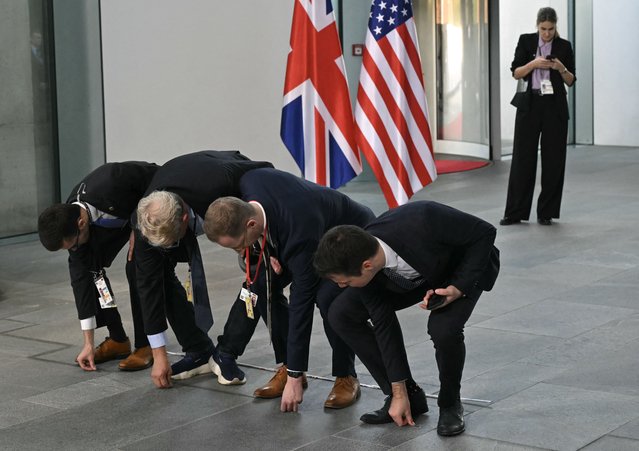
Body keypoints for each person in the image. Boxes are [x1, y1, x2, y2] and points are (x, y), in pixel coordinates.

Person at [313, 201, 500, 436]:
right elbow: (384, 323)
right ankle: (409, 397)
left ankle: (450, 403)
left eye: (345, 281)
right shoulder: (366, 263)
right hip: (414, 277)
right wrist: (399, 389)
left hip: (460, 269)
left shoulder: (424, 218)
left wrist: (458, 287)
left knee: (444, 330)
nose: (341, 286)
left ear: (366, 265)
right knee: (341, 313)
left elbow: (485, 232)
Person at [204, 168, 375, 412]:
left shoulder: (299, 233)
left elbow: (300, 305)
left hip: (346, 240)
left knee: (327, 299)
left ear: (251, 224)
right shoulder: (250, 180)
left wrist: (297, 375)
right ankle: (285, 364)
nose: (240, 252)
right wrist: (270, 251)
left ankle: (345, 376)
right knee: (261, 284)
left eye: (240, 244)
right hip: (298, 236)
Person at [134, 150, 273, 389]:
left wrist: (263, 234)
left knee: (258, 276)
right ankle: (197, 349)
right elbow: (149, 288)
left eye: (172, 242)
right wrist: (159, 355)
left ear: (185, 220)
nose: (169, 249)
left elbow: (265, 171)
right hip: (184, 193)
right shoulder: (147, 220)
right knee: (156, 276)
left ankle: (226, 353)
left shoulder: (220, 182)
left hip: (231, 190)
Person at [38, 161, 159, 372]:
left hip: (146, 210)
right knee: (90, 272)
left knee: (136, 267)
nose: (72, 250)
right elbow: (80, 284)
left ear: (80, 224)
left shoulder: (113, 179)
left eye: (72, 245)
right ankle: (118, 339)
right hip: (111, 226)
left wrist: (138, 226)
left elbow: (158, 181)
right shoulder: (69, 219)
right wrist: (88, 342)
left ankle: (146, 344)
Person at [501, 6, 576, 227]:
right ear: (537, 26)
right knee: (522, 159)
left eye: (550, 29)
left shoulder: (564, 46)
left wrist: (560, 67)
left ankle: (547, 213)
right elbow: (516, 72)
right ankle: (515, 212)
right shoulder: (526, 41)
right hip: (530, 105)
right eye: (543, 29)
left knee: (554, 160)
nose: (546, 34)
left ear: (555, 27)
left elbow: (571, 80)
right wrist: (533, 64)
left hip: (555, 107)